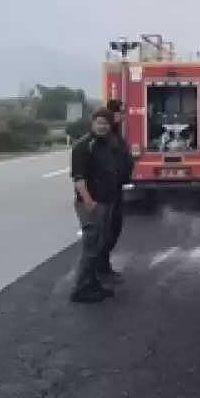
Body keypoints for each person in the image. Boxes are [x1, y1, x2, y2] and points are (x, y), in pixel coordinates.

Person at [70, 109, 119, 303]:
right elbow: (79, 178)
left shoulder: (104, 143)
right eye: (99, 122)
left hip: (106, 201)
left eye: (106, 123)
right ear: (92, 123)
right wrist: (89, 202)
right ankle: (80, 289)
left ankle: (93, 283)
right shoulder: (83, 146)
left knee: (101, 244)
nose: (102, 126)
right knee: (91, 247)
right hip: (92, 204)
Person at [100, 98, 134, 282]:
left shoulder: (115, 133)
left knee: (114, 228)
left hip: (116, 188)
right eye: (121, 112)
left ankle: (104, 267)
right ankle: (98, 271)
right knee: (106, 232)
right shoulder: (106, 137)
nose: (123, 116)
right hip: (108, 190)